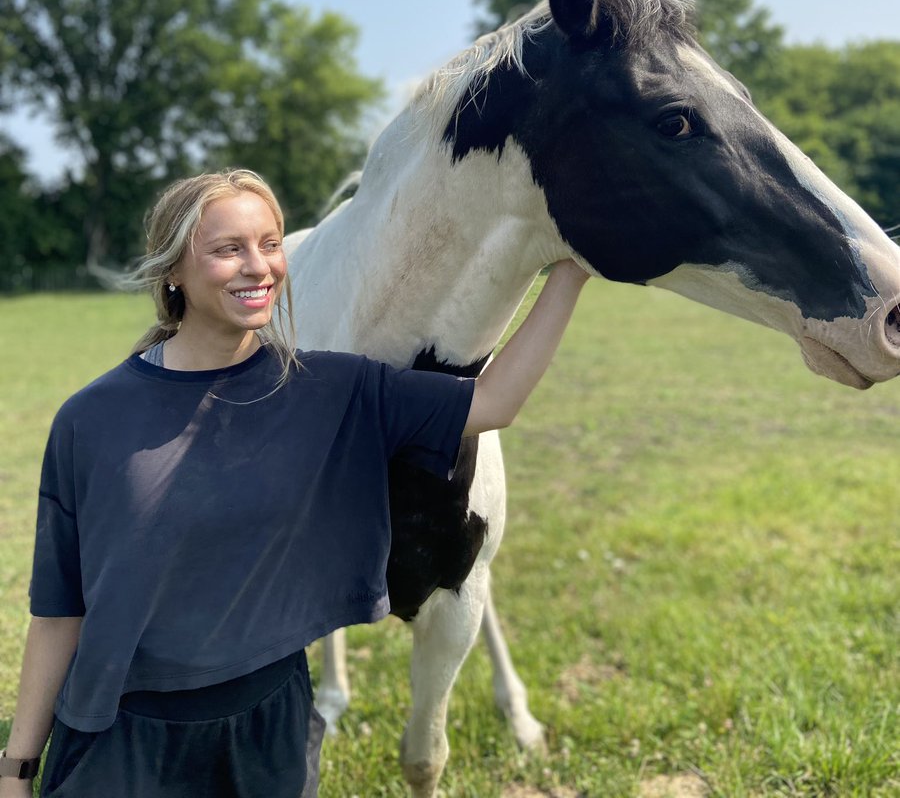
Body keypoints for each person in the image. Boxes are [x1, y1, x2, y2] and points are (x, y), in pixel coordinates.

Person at [0, 169, 590, 797]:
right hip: (123, 739)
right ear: (172, 271)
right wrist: (16, 768)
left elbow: (493, 401)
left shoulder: (326, 390)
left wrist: (572, 266)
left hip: (268, 736)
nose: (259, 267)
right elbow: (59, 609)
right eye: (229, 249)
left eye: (271, 244)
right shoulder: (91, 420)